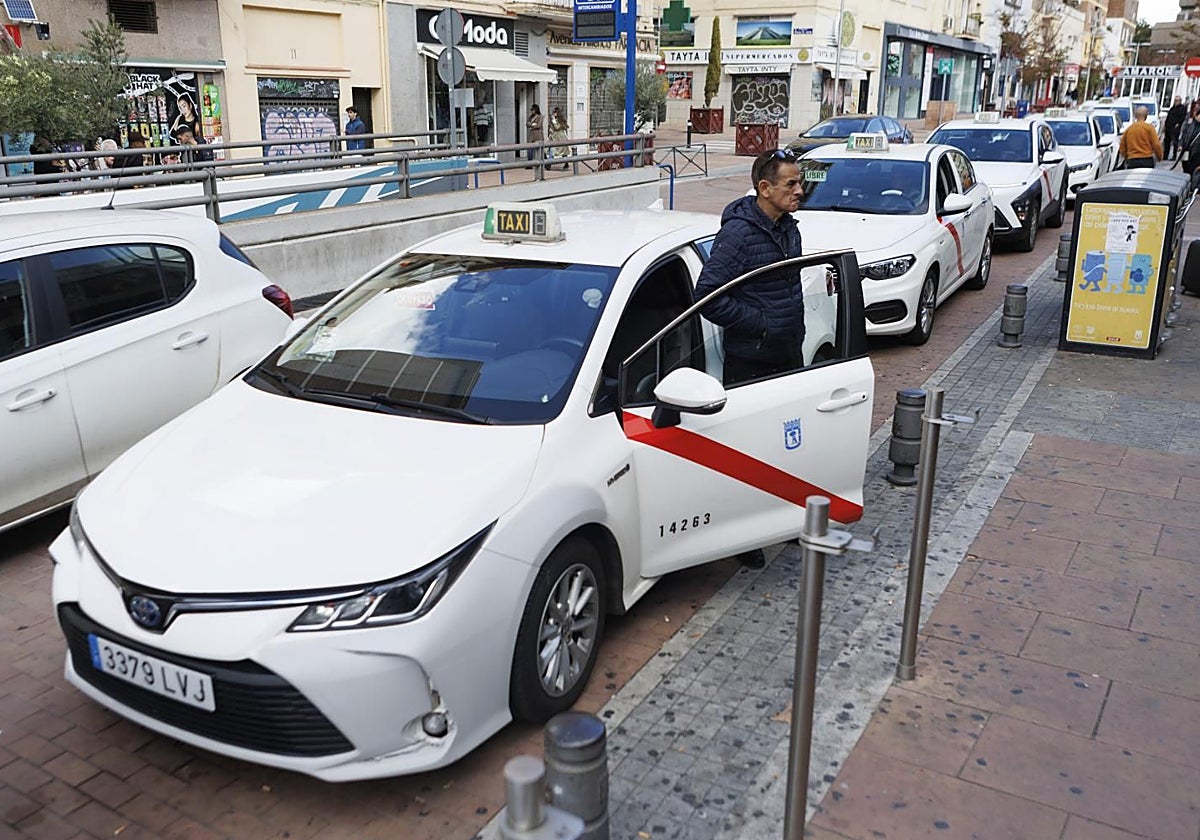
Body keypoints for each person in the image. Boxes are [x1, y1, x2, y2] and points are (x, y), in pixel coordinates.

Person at [694, 149, 805, 570]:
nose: (800, 190)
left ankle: (787, 520)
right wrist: (758, 324)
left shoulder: (789, 228)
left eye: (799, 182)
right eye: (791, 184)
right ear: (765, 188)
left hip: (787, 351)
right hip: (752, 357)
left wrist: (788, 327)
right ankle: (745, 536)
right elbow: (706, 296)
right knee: (750, 452)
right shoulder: (739, 235)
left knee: (787, 443)